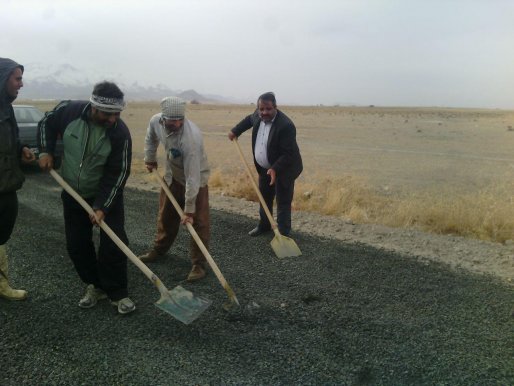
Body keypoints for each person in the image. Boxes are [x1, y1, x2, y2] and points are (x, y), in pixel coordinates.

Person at [38, 81, 135, 314]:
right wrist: (45, 150)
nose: (113, 119)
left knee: (114, 244)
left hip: (104, 196)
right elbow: (45, 123)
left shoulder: (119, 133)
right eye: (108, 114)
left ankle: (118, 292)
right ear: (94, 107)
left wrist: (102, 206)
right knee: (77, 245)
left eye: (117, 113)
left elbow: (118, 173)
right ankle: (97, 285)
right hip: (72, 193)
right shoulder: (68, 111)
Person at [139, 96, 210, 282]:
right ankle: (159, 249)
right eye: (173, 120)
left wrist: (188, 210)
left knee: (199, 222)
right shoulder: (155, 121)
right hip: (172, 176)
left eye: (180, 120)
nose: (177, 123)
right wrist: (150, 158)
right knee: (166, 214)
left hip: (196, 180)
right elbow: (150, 138)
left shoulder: (191, 138)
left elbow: (193, 178)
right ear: (164, 118)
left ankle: (199, 264)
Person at [228, 92, 302, 237]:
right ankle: (264, 225)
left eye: (268, 109)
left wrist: (275, 168)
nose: (264, 112)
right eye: (261, 109)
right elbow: (248, 120)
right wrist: (235, 131)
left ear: (275, 107)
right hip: (264, 169)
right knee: (265, 197)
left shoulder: (286, 126)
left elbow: (288, 154)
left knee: (283, 201)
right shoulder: (257, 115)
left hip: (284, 169)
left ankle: (283, 234)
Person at [0, 58, 35, 300]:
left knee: (2, 233)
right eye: (17, 78)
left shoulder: (6, 108)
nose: (21, 84)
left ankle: (1, 284)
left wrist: (21, 148)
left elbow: (10, 139)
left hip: (6, 183)